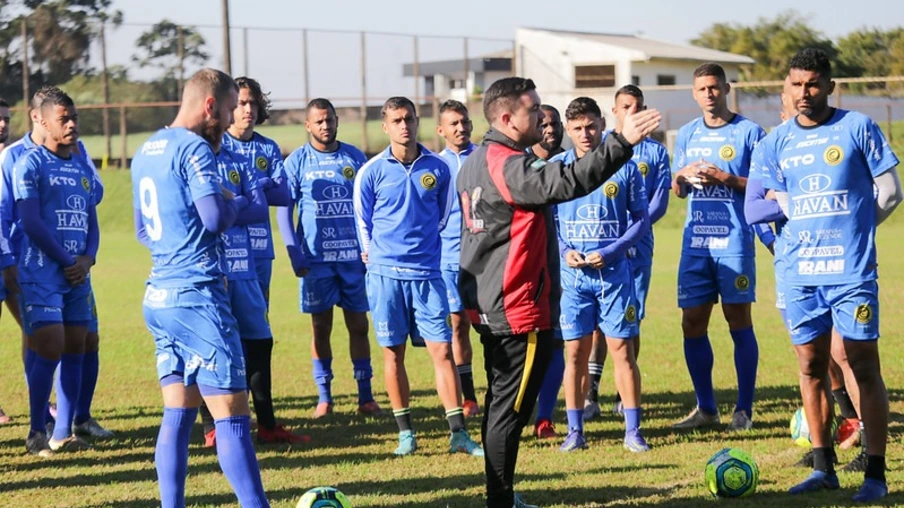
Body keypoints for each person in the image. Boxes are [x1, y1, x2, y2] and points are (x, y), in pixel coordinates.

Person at [457, 76, 660, 508]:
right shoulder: (507, 163)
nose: (542, 117)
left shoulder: (476, 160)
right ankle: (500, 498)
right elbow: (567, 181)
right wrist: (621, 141)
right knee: (510, 413)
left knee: (501, 406)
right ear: (508, 118)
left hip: (492, 304)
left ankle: (502, 495)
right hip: (516, 307)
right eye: (534, 110)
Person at [760, 48, 901, 502]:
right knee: (810, 366)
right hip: (799, 275)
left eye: (813, 84)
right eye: (797, 84)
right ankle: (824, 467)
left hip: (850, 272)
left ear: (829, 86)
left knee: (862, 364)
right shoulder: (774, 142)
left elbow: (891, 191)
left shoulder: (857, 127)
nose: (804, 93)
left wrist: (857, 228)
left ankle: (875, 474)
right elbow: (763, 205)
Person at [131, 68, 269, 507]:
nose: (231, 120)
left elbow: (141, 230)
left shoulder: (145, 150)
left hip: (158, 294)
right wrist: (238, 203)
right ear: (209, 105)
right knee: (231, 415)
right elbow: (213, 218)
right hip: (198, 296)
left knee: (179, 410)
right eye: (230, 110)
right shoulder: (193, 148)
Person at [353, 96, 483, 458]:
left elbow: (443, 218)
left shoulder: (438, 169)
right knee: (392, 354)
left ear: (418, 122)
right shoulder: (371, 170)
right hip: (385, 276)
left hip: (426, 274)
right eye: (396, 120)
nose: (404, 126)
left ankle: (458, 432)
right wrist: (375, 256)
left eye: (409, 119)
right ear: (385, 126)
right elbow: (362, 221)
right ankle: (406, 434)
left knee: (442, 351)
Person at [745, 77, 863, 471]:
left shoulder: (831, 137)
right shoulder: (772, 149)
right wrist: (784, 215)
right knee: (811, 357)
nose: (791, 110)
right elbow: (754, 211)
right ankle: (827, 443)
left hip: (836, 260)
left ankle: (860, 430)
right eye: (785, 105)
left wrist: (794, 203)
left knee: (843, 352)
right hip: (791, 265)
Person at [670, 62, 765, 431]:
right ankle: (706, 409)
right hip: (696, 244)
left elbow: (762, 186)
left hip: (735, 243)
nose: (708, 94)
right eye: (701, 89)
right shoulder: (687, 134)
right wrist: (683, 175)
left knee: (738, 320)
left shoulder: (749, 133)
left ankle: (743, 410)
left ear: (726, 88)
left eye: (714, 87)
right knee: (691, 322)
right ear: (694, 94)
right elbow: (677, 190)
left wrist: (724, 177)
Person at [552, 97, 650, 453]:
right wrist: (565, 251)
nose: (585, 134)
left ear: (603, 123)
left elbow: (640, 221)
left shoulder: (625, 166)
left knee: (622, 350)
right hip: (574, 279)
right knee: (575, 352)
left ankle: (633, 430)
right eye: (577, 128)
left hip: (615, 276)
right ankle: (575, 432)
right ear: (567, 129)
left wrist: (610, 251)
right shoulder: (556, 167)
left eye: (591, 126)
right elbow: (551, 221)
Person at [278, 98, 380, 418]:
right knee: (320, 328)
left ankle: (365, 396)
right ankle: (325, 397)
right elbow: (284, 209)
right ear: (308, 125)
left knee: (359, 326)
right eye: (318, 121)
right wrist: (294, 252)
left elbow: (369, 206)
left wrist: (371, 246)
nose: (325, 126)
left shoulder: (354, 157)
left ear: (337, 121)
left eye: (329, 120)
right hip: (316, 260)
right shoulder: (296, 162)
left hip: (353, 258)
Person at [13, 88, 99, 456]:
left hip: (78, 273)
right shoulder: (28, 164)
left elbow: (91, 221)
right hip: (42, 272)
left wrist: (88, 258)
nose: (72, 124)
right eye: (64, 118)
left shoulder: (81, 165)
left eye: (74, 117)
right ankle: (36, 431)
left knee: (77, 344)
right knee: (49, 344)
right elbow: (30, 221)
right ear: (42, 121)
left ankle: (63, 432)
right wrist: (66, 259)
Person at [207, 135, 308, 446]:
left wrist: (227, 203)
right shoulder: (195, 161)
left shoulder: (238, 161)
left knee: (260, 342)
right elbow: (207, 218)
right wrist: (239, 202)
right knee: (212, 348)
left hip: (244, 266)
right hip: (210, 270)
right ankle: (212, 428)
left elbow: (260, 208)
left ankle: (267, 425)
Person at [584, 84, 672, 419]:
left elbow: (659, 203)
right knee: (595, 324)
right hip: (597, 245)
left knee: (629, 320)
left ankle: (625, 397)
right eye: (625, 106)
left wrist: (631, 235)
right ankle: (591, 393)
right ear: (615, 111)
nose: (631, 112)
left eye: (637, 106)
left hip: (637, 248)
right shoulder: (600, 148)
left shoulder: (655, 152)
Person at [221, 77, 289, 305]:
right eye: (242, 103)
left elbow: (282, 195)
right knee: (229, 319)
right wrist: (265, 182)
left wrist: (250, 189)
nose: (248, 109)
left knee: (260, 320)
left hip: (261, 248)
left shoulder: (267, 147)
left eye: (253, 103)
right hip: (228, 248)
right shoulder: (218, 145)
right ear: (230, 106)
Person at [436, 99, 480, 417]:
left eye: (464, 122)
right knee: (457, 326)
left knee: (493, 328)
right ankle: (468, 397)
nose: (460, 128)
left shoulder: (485, 158)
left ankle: (502, 390)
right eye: (453, 124)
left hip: (484, 258)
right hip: (448, 258)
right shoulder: (434, 166)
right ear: (441, 130)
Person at [530, 104, 567, 440]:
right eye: (543, 123)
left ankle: (545, 417)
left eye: (555, 123)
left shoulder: (572, 165)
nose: (551, 128)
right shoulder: (521, 165)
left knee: (557, 342)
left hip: (562, 266)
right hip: (525, 266)